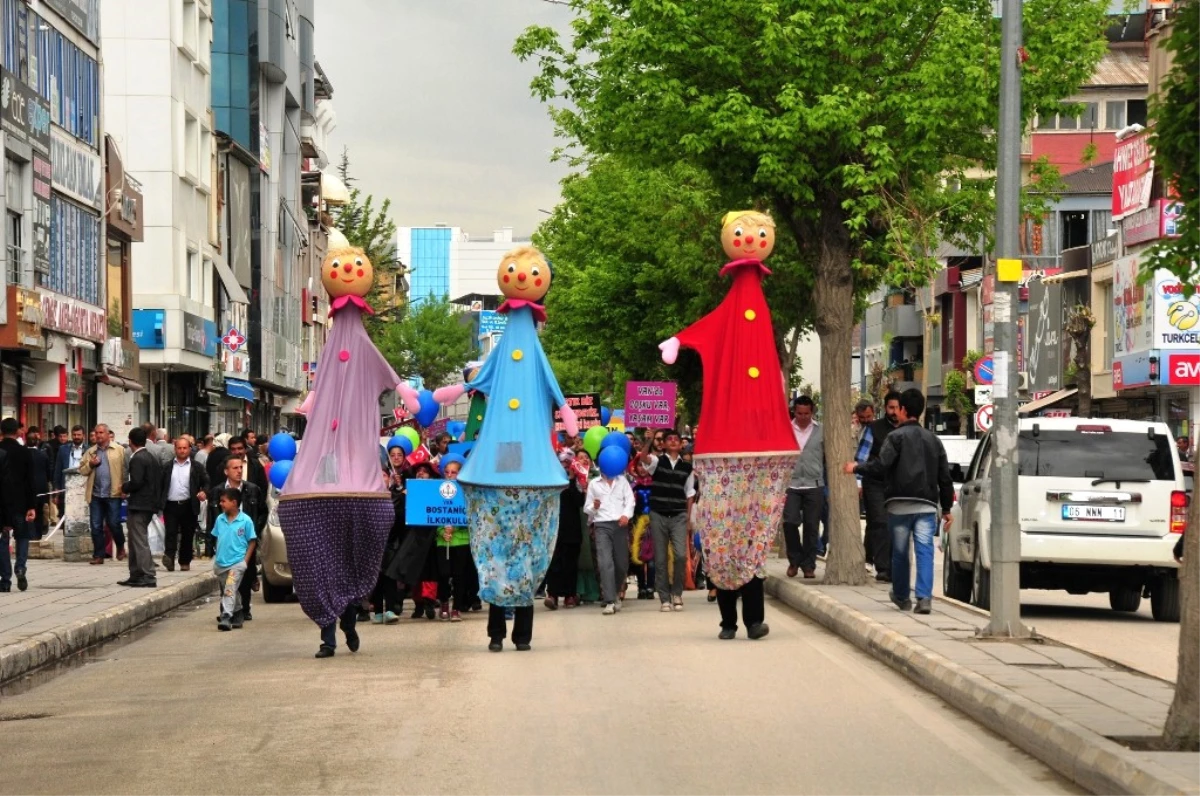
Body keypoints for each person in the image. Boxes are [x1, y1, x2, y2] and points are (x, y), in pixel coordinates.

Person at [844, 388, 954, 615]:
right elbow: (944, 476)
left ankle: (902, 596)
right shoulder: (934, 440)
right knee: (925, 550)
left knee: (901, 552)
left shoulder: (895, 437)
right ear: (921, 412)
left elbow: (881, 466)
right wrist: (947, 509)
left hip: (899, 504)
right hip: (926, 505)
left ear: (903, 410)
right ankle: (924, 598)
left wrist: (856, 467)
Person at [639, 430, 696, 612]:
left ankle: (677, 593)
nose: (672, 442)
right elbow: (644, 457)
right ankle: (664, 598)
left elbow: (689, 494)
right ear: (662, 444)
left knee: (680, 555)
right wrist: (649, 439)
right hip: (658, 514)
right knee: (661, 558)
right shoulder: (657, 462)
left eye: (676, 440)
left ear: (681, 445)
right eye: (668, 439)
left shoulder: (687, 467)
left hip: (679, 515)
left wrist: (687, 519)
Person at [212, 453, 265, 619]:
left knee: (245, 574)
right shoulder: (218, 491)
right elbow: (212, 515)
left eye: (241, 467)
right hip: (226, 542)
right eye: (235, 468)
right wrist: (211, 542)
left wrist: (254, 529)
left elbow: (262, 512)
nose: (239, 471)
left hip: (245, 539)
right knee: (226, 580)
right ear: (226, 471)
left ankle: (243, 609)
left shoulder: (252, 489)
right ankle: (229, 609)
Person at [584, 458, 636, 615]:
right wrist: (594, 506)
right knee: (605, 562)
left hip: (620, 525)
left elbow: (630, 501)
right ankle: (609, 600)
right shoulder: (594, 483)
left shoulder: (622, 481)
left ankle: (616, 593)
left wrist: (626, 515)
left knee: (621, 564)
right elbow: (587, 508)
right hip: (601, 525)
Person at [861, 392, 902, 582]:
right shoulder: (874, 428)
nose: (894, 412)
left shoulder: (907, 428)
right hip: (875, 483)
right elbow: (861, 457)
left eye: (897, 408)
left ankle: (894, 566)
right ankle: (883, 568)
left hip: (898, 485)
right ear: (885, 408)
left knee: (897, 525)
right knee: (880, 522)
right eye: (891, 408)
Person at [782, 396, 824, 579]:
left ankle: (809, 565)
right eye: (799, 413)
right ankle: (794, 559)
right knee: (790, 522)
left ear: (812, 413)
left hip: (814, 484)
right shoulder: (786, 429)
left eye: (807, 413)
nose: (803, 417)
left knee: (811, 526)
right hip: (791, 484)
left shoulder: (821, 430)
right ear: (794, 412)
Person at [78, 424, 128, 565]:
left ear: (107, 434)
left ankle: (120, 545)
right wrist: (91, 464)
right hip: (96, 495)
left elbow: (126, 471)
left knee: (113, 523)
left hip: (114, 493)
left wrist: (125, 488)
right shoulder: (91, 452)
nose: (98, 435)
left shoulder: (119, 450)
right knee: (95, 525)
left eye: (101, 432)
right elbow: (82, 470)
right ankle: (98, 555)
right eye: (96, 433)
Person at [120, 427, 163, 588]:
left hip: (140, 505)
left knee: (139, 540)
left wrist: (124, 487)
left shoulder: (137, 458)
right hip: (148, 504)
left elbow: (137, 482)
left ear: (130, 441)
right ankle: (136, 573)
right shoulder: (151, 457)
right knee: (133, 540)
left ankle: (147, 574)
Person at [211, 487, 258, 631]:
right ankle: (238, 612)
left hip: (237, 563)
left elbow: (252, 541)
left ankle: (226, 616)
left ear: (234, 502)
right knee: (230, 589)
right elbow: (217, 538)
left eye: (224, 501)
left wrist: (245, 561)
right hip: (221, 563)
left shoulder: (245, 521)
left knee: (230, 589)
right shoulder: (220, 519)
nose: (221, 504)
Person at [0, 417, 38, 592]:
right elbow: (30, 481)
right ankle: (20, 567)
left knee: (3, 539)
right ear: (17, 432)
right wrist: (32, 506)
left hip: (2, 504)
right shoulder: (24, 452)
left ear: (1, 432)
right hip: (21, 503)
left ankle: (5, 579)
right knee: (22, 536)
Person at [161, 438, 209, 572]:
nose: (182, 451)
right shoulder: (167, 466)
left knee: (188, 534)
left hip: (189, 504)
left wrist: (203, 492)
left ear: (189, 449)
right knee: (170, 532)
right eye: (179, 448)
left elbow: (206, 482)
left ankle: (184, 560)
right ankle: (169, 557)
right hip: (170, 505)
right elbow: (160, 485)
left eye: (184, 448)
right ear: (175, 449)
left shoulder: (197, 467)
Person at [545, 452, 584, 610]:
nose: (566, 465)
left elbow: (579, 501)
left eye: (569, 462)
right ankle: (552, 595)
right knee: (554, 564)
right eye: (563, 462)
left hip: (572, 529)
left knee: (570, 564)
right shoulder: (550, 478)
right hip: (553, 528)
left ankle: (570, 595)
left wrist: (573, 480)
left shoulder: (578, 480)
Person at [433, 454, 470, 622]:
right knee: (443, 573)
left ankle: (457, 607)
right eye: (447, 472)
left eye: (453, 472)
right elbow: (430, 513)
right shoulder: (436, 490)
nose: (449, 475)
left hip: (462, 540)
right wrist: (442, 531)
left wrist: (457, 526)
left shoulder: (467, 492)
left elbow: (471, 515)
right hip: (443, 540)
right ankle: (444, 603)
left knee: (459, 575)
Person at [54, 425, 88, 511]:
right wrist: (56, 491)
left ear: (84, 436)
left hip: (83, 489)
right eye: (74, 435)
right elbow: (58, 470)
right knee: (63, 515)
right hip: (66, 489)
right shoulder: (63, 449)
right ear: (71, 435)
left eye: (79, 435)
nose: (76, 437)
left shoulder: (89, 450)